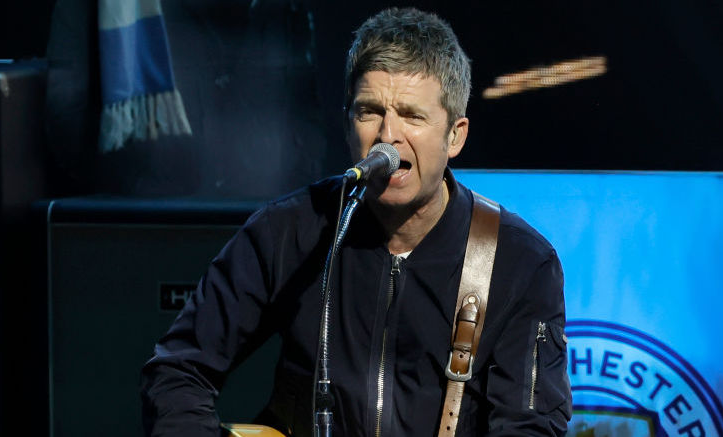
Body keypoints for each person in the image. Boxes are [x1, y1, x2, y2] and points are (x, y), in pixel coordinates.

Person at [141, 7, 571, 436]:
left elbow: (529, 426)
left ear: (455, 135)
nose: (388, 136)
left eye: (412, 115)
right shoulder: (287, 231)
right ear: (348, 124)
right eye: (369, 111)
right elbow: (178, 371)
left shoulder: (519, 262)